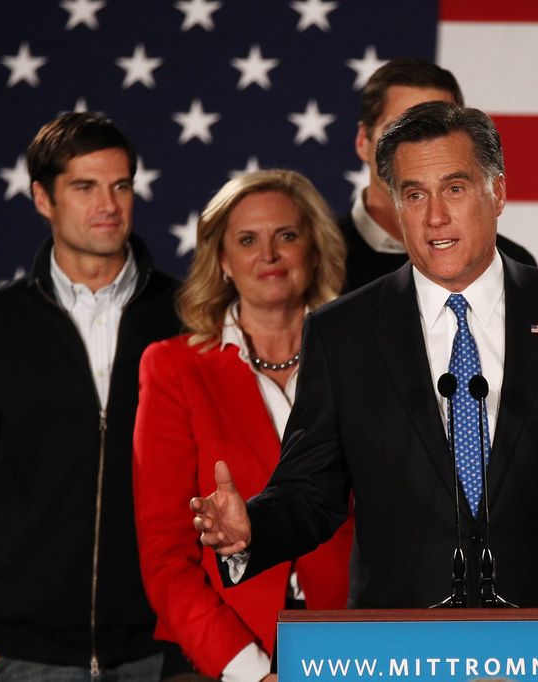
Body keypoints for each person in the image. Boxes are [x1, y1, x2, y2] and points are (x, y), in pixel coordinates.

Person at [191, 101, 538, 610]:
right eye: (414, 194)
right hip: (399, 644)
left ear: (496, 192)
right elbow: (312, 492)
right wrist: (252, 530)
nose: (434, 217)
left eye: (454, 188)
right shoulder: (344, 332)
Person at [0, 113, 184, 680]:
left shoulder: (189, 317)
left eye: (120, 185)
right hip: (20, 658)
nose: (108, 203)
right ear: (41, 198)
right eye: (84, 187)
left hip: (162, 655)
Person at [133, 170, 354, 681]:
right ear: (224, 261)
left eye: (288, 236)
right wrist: (250, 672)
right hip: (229, 654)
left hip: (354, 646)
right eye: (248, 240)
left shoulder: (363, 355)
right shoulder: (173, 368)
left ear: (316, 248)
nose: (269, 255)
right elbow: (166, 558)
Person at [341, 57, 535, 292]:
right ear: (363, 141)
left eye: (437, 127)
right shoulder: (314, 260)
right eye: (396, 130)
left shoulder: (512, 263)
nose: (422, 148)